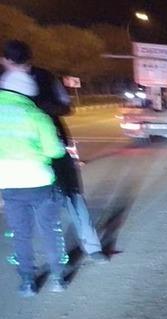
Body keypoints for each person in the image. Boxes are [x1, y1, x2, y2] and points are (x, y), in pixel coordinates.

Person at [2, 40, 108, 264]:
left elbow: (66, 105)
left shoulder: (46, 77)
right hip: (20, 156)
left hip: (52, 146)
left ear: (5, 59)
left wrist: (40, 111)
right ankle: (44, 263)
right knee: (28, 208)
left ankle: (90, 247)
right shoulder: (4, 83)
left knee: (71, 194)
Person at [0, 68, 68, 296]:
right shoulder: (37, 115)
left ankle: (28, 282)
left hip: (9, 183)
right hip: (39, 181)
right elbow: (55, 151)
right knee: (49, 229)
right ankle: (58, 277)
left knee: (21, 233)